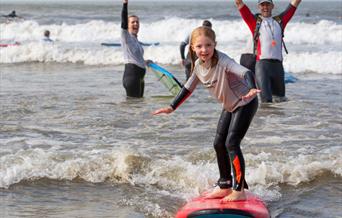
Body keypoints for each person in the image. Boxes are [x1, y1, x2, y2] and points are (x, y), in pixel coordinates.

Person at [153, 26, 260, 202]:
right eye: (200, 46)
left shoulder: (223, 61)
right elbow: (188, 87)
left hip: (246, 102)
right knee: (219, 143)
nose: (204, 50)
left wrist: (251, 88)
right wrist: (172, 107)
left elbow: (245, 72)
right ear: (193, 48)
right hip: (230, 105)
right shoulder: (197, 66)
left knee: (232, 143)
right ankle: (225, 184)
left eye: (208, 45)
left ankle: (238, 189)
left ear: (214, 45)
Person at [235, 0, 302, 103]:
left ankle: (279, 120)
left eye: (267, 4)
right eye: (262, 5)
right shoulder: (254, 22)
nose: (265, 7)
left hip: (278, 67)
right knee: (266, 101)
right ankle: (265, 119)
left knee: (280, 100)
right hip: (262, 66)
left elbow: (295, 3)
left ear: (272, 6)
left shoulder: (280, 21)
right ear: (259, 7)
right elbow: (239, 3)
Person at [120, 0, 146, 98]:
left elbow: (137, 58)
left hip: (140, 78)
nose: (135, 24)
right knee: (132, 106)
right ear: (128, 24)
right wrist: (125, 4)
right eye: (133, 22)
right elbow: (123, 21)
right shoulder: (125, 36)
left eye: (137, 22)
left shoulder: (136, 40)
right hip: (132, 76)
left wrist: (146, 62)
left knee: (138, 105)